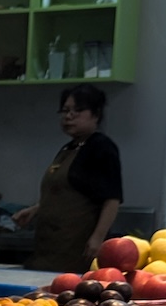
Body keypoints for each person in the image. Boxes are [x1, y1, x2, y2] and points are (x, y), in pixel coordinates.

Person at [12, 85, 124, 272]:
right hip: (49, 246)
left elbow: (112, 199)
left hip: (75, 248)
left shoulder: (101, 147)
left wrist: (98, 238)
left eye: (78, 110)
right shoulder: (69, 148)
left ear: (96, 114)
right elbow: (67, 191)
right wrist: (35, 209)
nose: (68, 116)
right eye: (65, 111)